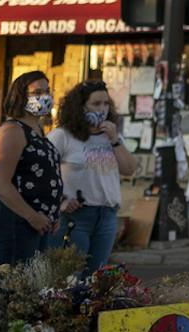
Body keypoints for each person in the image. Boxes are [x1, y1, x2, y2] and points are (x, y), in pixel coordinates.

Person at [49, 78, 135, 272]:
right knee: (70, 274)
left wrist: (114, 140)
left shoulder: (111, 137)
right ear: (80, 107)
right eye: (96, 104)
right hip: (76, 216)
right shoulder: (63, 136)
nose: (102, 109)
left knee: (96, 277)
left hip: (106, 215)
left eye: (106, 103)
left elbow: (129, 169)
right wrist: (60, 199)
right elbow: (42, 172)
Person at [0, 70, 64, 264]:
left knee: (32, 285)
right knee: (14, 285)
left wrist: (52, 213)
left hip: (38, 222)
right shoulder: (12, 131)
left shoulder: (37, 130)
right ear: (20, 97)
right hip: (16, 220)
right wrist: (31, 216)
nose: (45, 97)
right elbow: (1, 183)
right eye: (37, 93)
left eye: (47, 91)